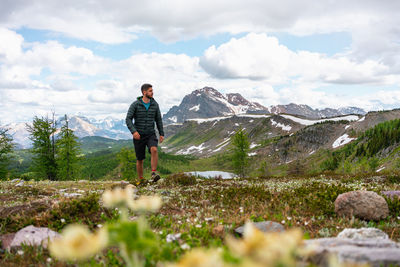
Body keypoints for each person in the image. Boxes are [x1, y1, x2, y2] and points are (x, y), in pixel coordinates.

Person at [126, 83, 164, 185]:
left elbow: (158, 120)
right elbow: (128, 119)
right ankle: (141, 180)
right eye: (150, 91)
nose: (152, 92)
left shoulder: (155, 105)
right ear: (144, 92)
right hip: (139, 135)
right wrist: (134, 131)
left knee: (154, 149)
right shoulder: (135, 104)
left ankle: (153, 173)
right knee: (140, 159)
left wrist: (161, 133)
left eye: (152, 90)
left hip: (151, 133)